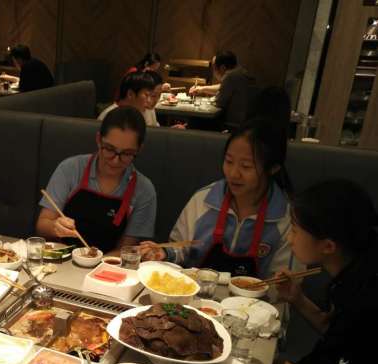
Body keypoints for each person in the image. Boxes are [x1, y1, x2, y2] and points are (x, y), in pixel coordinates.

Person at [264, 179, 378, 364]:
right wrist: (298, 299)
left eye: (295, 229)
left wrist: (271, 359)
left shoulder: (363, 301)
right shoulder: (358, 269)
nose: (290, 237)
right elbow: (338, 334)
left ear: (328, 246)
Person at [141, 118, 293, 278]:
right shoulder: (204, 200)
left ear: (273, 168)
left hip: (255, 295)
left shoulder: (286, 219)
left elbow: (282, 282)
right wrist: (164, 253)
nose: (233, 174)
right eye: (229, 161)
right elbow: (181, 247)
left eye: (246, 166)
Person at [36, 106, 157, 253]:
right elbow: (42, 225)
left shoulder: (144, 190)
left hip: (108, 263)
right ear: (99, 140)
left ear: (139, 149)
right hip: (61, 258)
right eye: (109, 149)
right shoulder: (70, 168)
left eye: (127, 153)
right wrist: (55, 227)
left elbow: (125, 249)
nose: (115, 160)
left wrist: (97, 264)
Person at [99, 71, 185, 129]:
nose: (149, 101)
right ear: (130, 94)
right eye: (146, 95)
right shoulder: (111, 117)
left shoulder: (134, 113)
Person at [190, 51, 254, 127]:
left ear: (222, 68)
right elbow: (223, 87)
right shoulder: (240, 72)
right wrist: (201, 89)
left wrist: (209, 100)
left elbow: (219, 102)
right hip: (245, 123)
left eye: (214, 68)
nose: (214, 71)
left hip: (232, 124)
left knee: (194, 121)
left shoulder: (230, 76)